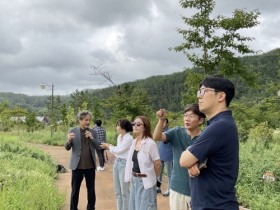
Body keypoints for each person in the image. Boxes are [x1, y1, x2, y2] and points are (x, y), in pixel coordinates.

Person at [180, 75, 239, 210]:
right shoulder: (219, 124)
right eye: (199, 92)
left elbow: (184, 160)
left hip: (214, 205)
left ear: (220, 96)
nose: (199, 96)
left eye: (204, 91)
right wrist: (195, 160)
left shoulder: (219, 126)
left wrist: (190, 156)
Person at [153, 104, 206, 210]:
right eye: (185, 115)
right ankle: (159, 187)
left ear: (200, 120)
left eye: (191, 116)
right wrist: (161, 120)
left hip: (198, 190)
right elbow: (157, 137)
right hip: (177, 187)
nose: (187, 119)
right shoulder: (177, 132)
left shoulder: (205, 137)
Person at [64, 110, 100, 210]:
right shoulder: (72, 131)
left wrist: (92, 138)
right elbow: (67, 147)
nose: (88, 122)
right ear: (80, 120)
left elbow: (98, 146)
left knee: (91, 190)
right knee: (75, 190)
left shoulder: (93, 132)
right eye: (85, 120)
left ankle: (91, 208)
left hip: (90, 166)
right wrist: (69, 140)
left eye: (89, 120)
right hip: (77, 166)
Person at [124, 116, 161, 210]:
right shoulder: (134, 142)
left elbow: (157, 164)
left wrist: (152, 178)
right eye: (134, 124)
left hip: (146, 182)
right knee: (134, 207)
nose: (135, 126)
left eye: (138, 124)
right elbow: (130, 162)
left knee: (146, 207)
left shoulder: (150, 143)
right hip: (135, 180)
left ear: (145, 127)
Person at [100, 119, 134, 210]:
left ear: (124, 127)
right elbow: (117, 152)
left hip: (124, 164)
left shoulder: (129, 138)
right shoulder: (119, 137)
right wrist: (112, 148)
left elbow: (119, 151)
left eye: (119, 125)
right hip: (117, 162)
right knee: (117, 191)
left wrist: (109, 146)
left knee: (124, 191)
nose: (117, 127)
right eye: (117, 125)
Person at [156, 118, 173, 197]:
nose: (162, 123)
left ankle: (169, 189)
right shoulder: (159, 132)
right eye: (161, 122)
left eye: (164, 122)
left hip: (168, 156)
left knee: (170, 174)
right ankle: (158, 187)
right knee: (159, 173)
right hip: (160, 155)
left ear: (167, 124)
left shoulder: (169, 132)